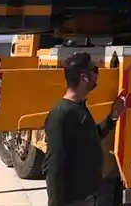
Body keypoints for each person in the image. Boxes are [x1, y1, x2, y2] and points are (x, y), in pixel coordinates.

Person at [44, 52, 126, 206]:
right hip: (74, 200)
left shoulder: (79, 108)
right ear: (84, 78)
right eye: (94, 72)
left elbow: (92, 138)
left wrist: (113, 117)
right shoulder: (61, 114)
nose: (97, 77)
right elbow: (53, 165)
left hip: (88, 196)